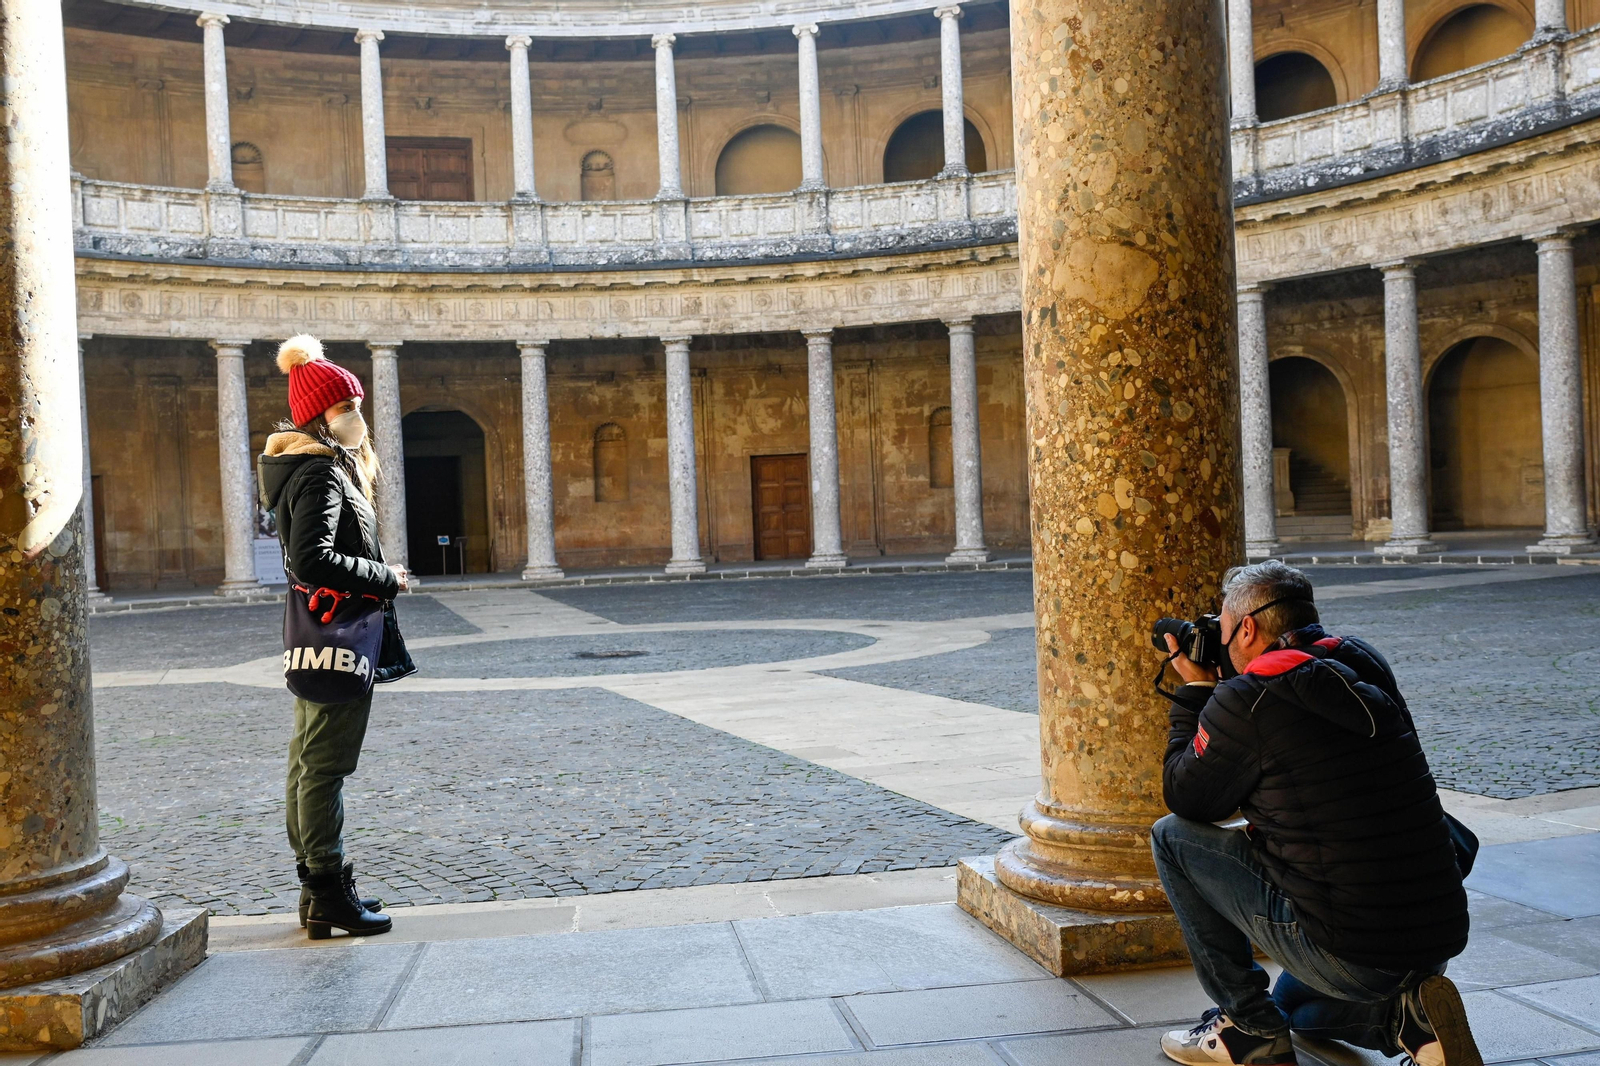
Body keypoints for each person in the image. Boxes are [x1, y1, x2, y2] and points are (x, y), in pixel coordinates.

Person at [1151, 560, 1481, 1066]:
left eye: (1223, 623)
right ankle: (1410, 1021)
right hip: (1433, 933)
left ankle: (1247, 1029)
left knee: (1172, 837)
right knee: (1295, 1007)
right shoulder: (1361, 660)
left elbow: (1187, 797)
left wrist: (1196, 693)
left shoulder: (1248, 699)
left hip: (1349, 946)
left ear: (1247, 627)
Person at [258, 335, 414, 940]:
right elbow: (312, 560)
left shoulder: (305, 467)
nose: (357, 419)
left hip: (318, 634)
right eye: (346, 408)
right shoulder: (321, 472)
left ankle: (316, 894)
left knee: (307, 764)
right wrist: (387, 577)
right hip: (340, 633)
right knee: (323, 767)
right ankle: (327, 891)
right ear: (319, 419)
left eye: (356, 406)